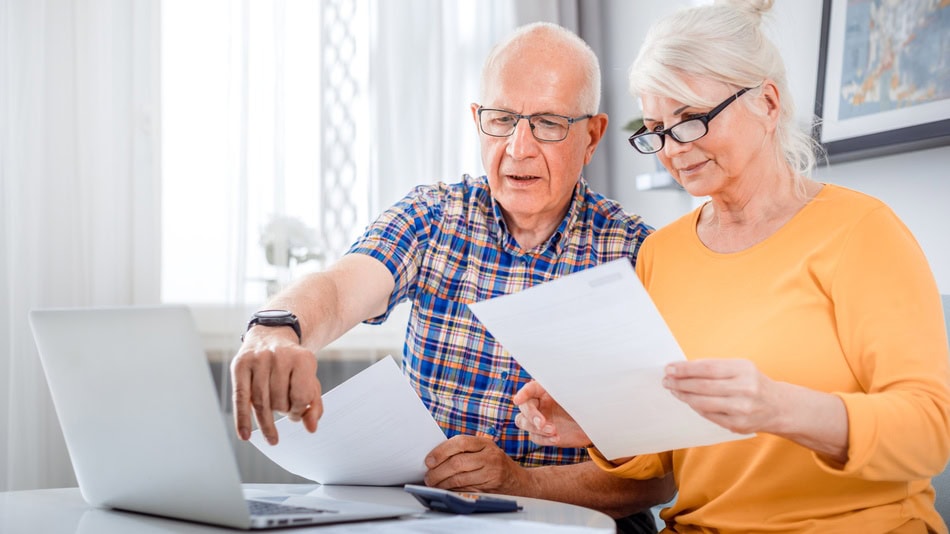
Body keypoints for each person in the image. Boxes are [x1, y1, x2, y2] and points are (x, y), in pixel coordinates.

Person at [513, 1, 950, 532]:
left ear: (767, 103)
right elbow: (662, 458)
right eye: (656, 127)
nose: (672, 149)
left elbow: (930, 434)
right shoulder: (662, 254)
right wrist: (598, 421)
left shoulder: (861, 231)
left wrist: (779, 408)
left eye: (692, 120)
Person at [231, 22, 672, 532]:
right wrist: (276, 329)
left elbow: (657, 479)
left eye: (548, 123)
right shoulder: (434, 216)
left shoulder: (638, 254)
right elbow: (339, 287)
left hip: (574, 524)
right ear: (477, 121)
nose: (518, 148)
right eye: (502, 119)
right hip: (429, 517)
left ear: (592, 135)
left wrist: (522, 483)